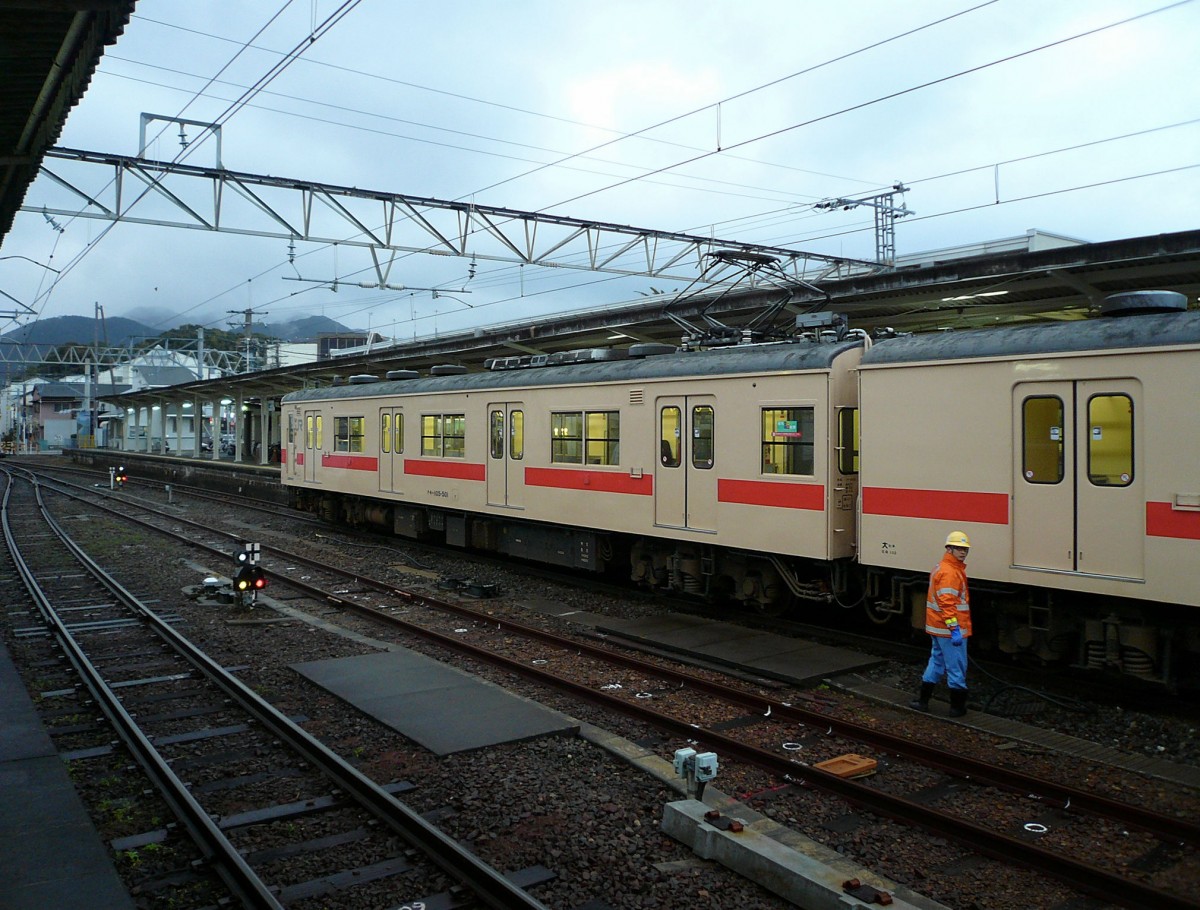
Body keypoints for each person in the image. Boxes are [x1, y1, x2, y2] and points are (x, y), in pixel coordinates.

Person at [910, 530, 972, 717]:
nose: (963, 552)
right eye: (958, 548)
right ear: (949, 549)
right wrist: (954, 629)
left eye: (965, 549)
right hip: (949, 630)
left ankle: (922, 701)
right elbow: (947, 603)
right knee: (956, 667)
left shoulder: (943, 567)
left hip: (937, 628)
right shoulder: (950, 572)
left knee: (936, 662)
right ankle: (957, 708)